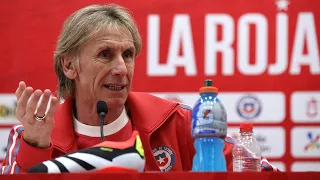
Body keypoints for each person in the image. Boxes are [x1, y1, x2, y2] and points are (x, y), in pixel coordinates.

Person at [0, 4, 279, 174]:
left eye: (128, 54)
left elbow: (265, 172)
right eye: (105, 54)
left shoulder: (177, 123)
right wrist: (35, 149)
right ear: (70, 65)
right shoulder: (31, 137)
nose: (122, 68)